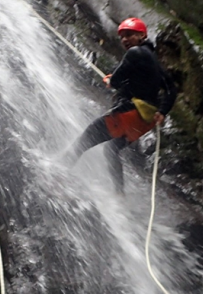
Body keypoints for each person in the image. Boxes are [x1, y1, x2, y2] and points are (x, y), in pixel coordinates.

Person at [63, 17, 177, 194]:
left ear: (142, 35)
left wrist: (111, 81)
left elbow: (116, 79)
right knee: (111, 150)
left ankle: (58, 170)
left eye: (129, 35)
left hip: (129, 113)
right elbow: (171, 89)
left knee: (85, 140)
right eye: (122, 36)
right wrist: (162, 111)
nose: (124, 39)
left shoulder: (135, 53)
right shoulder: (153, 61)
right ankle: (119, 194)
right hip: (144, 122)